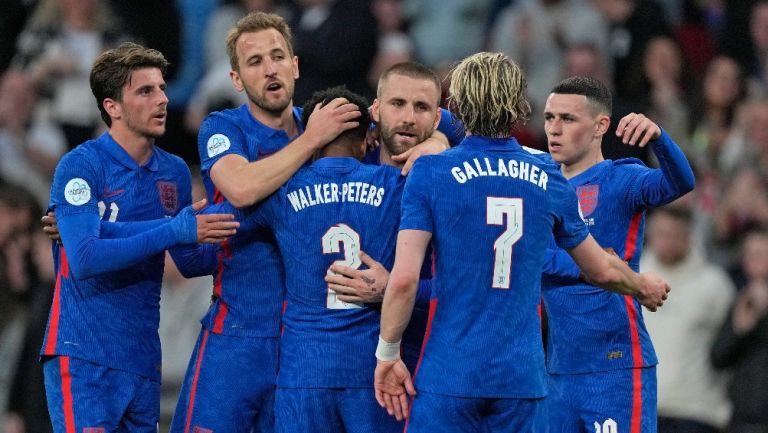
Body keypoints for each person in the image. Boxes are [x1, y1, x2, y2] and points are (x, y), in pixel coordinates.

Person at [373, 52, 671, 433]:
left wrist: (388, 354)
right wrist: (640, 285)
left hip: (450, 374)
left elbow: (402, 280)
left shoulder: (431, 171)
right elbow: (598, 267)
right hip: (521, 379)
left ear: (457, 106)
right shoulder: (547, 174)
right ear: (518, 107)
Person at [41, 42, 238, 433]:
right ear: (112, 106)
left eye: (162, 88)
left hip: (144, 360)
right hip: (85, 357)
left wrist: (238, 229)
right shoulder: (80, 166)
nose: (163, 99)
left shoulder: (175, 172)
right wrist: (174, 229)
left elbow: (190, 260)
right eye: (145, 91)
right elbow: (84, 258)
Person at [206, 85, 405, 432]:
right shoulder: (396, 185)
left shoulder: (282, 191)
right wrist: (436, 141)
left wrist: (179, 228)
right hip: (371, 367)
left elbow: (216, 227)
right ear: (365, 141)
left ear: (313, 139)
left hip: (304, 368)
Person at [540, 75, 695, 433]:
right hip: (558, 371)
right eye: (549, 118)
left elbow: (680, 183)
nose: (554, 129)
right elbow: (538, 262)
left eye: (567, 118)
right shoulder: (541, 187)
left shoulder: (620, 180)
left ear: (600, 126)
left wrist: (659, 138)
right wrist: (598, 264)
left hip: (616, 368)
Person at [323, 61, 445, 371]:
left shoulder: (453, 185)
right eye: (397, 104)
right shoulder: (346, 173)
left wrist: (394, 287)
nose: (408, 118)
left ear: (437, 118)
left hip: (425, 355)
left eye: (421, 107)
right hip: (346, 360)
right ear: (375, 110)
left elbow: (469, 287)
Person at [642, 206, 735, 433]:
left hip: (697, 411)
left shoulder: (715, 285)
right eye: (662, 234)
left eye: (676, 235)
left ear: (689, 237)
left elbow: (729, 348)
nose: (668, 241)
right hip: (641, 405)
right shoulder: (630, 279)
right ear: (650, 235)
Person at [712, 226, 768, 433]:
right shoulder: (739, 299)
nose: (754, 261)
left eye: (761, 254)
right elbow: (717, 359)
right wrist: (740, 330)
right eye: (749, 255)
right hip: (742, 419)